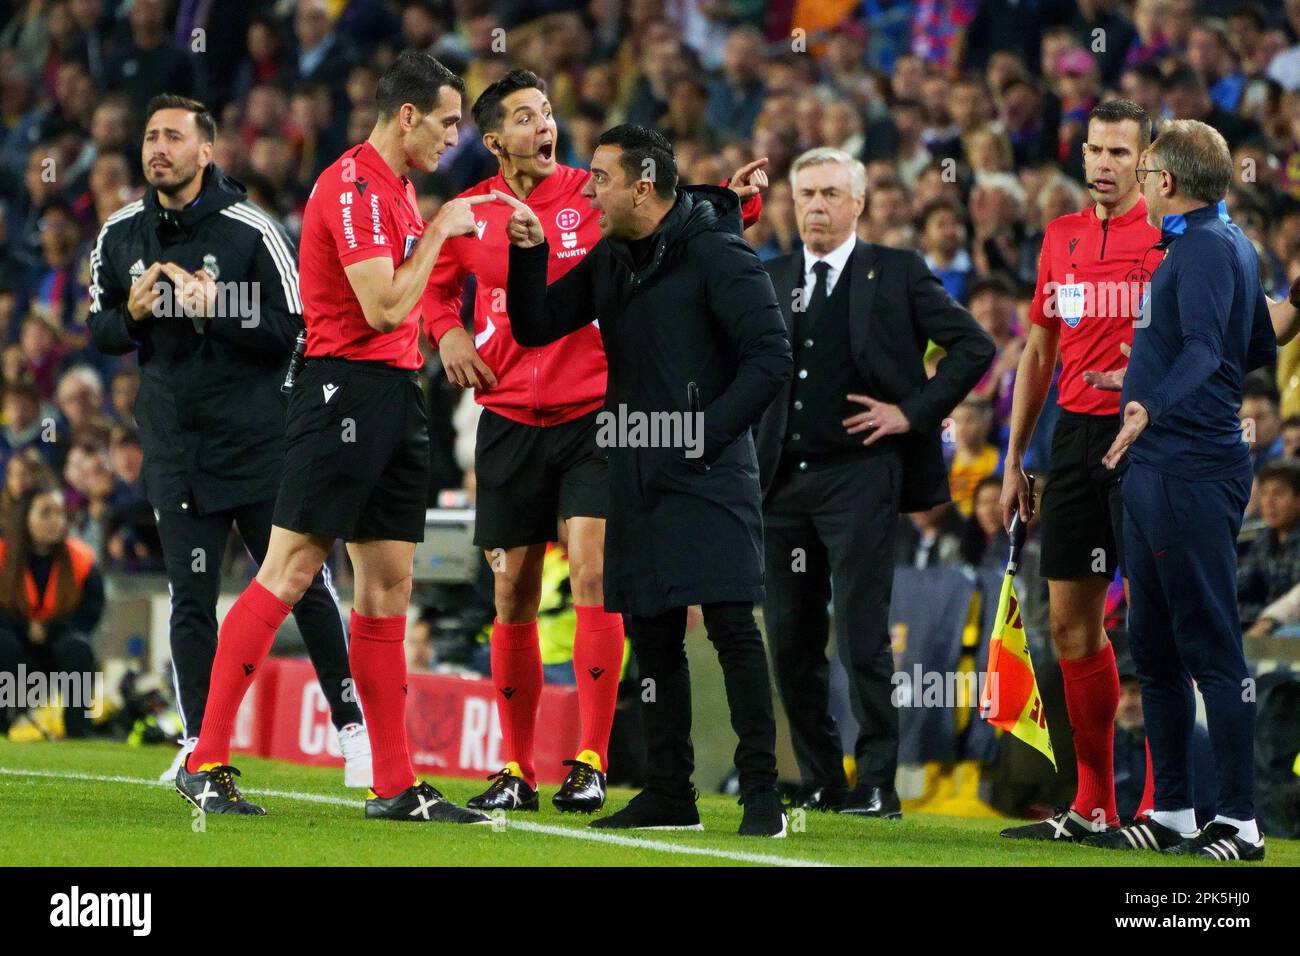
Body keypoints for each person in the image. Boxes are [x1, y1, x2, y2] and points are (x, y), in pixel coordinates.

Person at [421, 70, 766, 813]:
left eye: (547, 111)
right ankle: (516, 767)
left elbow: (664, 201)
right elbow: (436, 286)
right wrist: (446, 331)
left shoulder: (592, 190)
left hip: (594, 416)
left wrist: (733, 200)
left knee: (593, 571)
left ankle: (592, 759)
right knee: (511, 586)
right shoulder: (465, 213)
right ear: (494, 140)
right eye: (524, 117)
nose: (544, 125)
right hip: (508, 414)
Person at [171, 53, 493, 822]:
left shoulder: (399, 189)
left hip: (393, 394)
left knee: (387, 589)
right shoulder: (351, 187)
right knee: (288, 571)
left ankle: (394, 783)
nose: (455, 137)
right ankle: (206, 758)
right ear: (408, 115)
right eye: (449, 121)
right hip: (340, 388)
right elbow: (383, 307)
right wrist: (447, 227)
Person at [503, 124, 793, 837]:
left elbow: (770, 358)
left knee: (731, 628)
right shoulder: (613, 260)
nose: (588, 189)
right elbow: (537, 324)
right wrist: (528, 253)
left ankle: (763, 794)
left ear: (643, 185)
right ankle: (670, 790)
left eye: (599, 177)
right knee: (653, 636)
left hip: (710, 472)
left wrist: (701, 441)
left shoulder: (720, 256)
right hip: (634, 469)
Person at [85, 93, 369, 787]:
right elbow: (98, 329)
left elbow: (297, 330)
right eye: (151, 136)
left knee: (304, 584)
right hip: (175, 444)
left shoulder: (250, 230)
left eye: (174, 137)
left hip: (259, 443)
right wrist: (132, 312)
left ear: (206, 151)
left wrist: (221, 313)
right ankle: (197, 741)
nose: (158, 148)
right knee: (191, 592)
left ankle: (352, 727)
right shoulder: (120, 234)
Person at [753, 146, 993, 816]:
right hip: (780, 485)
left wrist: (911, 413)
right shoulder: (769, 276)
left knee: (861, 634)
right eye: (805, 194)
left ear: (858, 202)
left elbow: (974, 347)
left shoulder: (897, 271)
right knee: (790, 640)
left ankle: (879, 782)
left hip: (860, 478)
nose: (817, 207)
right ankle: (826, 776)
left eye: (831, 193)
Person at [1085, 119, 1275, 861]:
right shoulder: (1228, 245)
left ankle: (1240, 822)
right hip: (1164, 464)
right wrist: (1135, 377)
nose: (1137, 177)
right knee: (1155, 648)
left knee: (1212, 649)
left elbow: (1204, 348)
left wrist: (1151, 404)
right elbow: (1254, 344)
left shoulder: (1199, 248)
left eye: (1146, 168)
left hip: (1188, 466)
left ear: (1165, 181)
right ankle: (1172, 812)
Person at [999, 100, 1164, 842]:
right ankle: (1093, 803)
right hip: (1072, 443)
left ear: (1147, 160)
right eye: (1094, 150)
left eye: (1118, 153)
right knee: (1070, 627)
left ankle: (1165, 808)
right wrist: (1014, 459)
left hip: (1151, 439)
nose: (1101, 164)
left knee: (1160, 624)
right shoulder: (1060, 237)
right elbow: (1037, 351)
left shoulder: (1172, 237)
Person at [0, 483, 103, 739]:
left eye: (59, 513)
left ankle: (79, 732)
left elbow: (90, 613)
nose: (54, 521)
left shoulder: (81, 558)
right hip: (13, 641)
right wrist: (24, 629)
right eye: (45, 513)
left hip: (58, 640)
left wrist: (49, 630)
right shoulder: (3, 554)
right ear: (25, 517)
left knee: (79, 647)